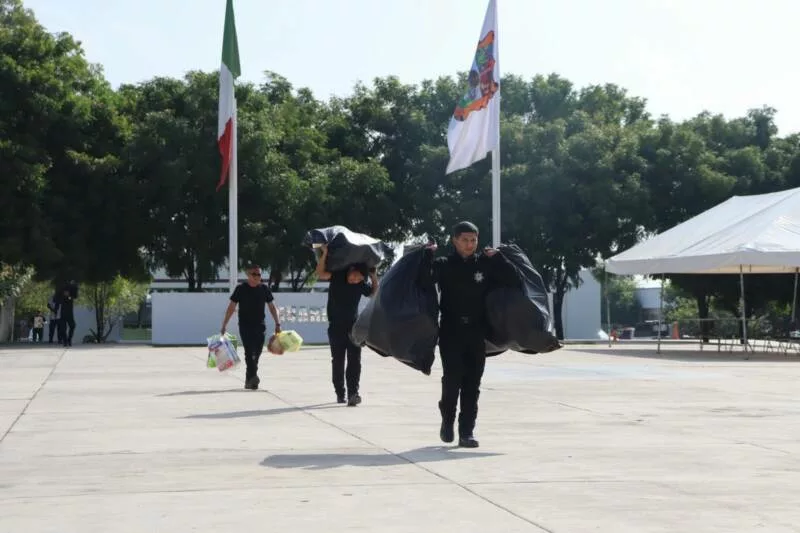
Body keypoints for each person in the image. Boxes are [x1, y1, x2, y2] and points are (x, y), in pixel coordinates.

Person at [421, 221, 515, 448]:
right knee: (452, 379)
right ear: (454, 240)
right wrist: (427, 256)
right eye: (465, 240)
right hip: (451, 331)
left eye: (473, 240)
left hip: (476, 331)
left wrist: (498, 259)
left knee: (472, 383)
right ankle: (447, 419)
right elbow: (424, 280)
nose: (470, 244)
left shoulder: (485, 264)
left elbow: (512, 279)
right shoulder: (444, 265)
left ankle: (467, 432)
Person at [315, 244, 378, 406]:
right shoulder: (337, 276)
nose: (355, 280)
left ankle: (353, 393)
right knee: (338, 361)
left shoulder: (360, 284)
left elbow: (373, 293)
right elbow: (320, 273)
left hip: (353, 327)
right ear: (351, 269)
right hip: (336, 327)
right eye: (354, 277)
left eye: (359, 279)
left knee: (355, 361)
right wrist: (325, 253)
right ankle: (340, 393)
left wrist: (373, 276)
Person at [221, 263, 281, 390]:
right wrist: (224, 324)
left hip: (260, 326)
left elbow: (272, 307)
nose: (257, 277)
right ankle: (253, 376)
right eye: (254, 274)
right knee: (249, 352)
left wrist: (277, 323)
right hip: (245, 326)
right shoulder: (241, 289)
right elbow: (231, 308)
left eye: (259, 274)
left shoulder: (264, 289)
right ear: (248, 275)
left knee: (257, 352)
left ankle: (249, 378)